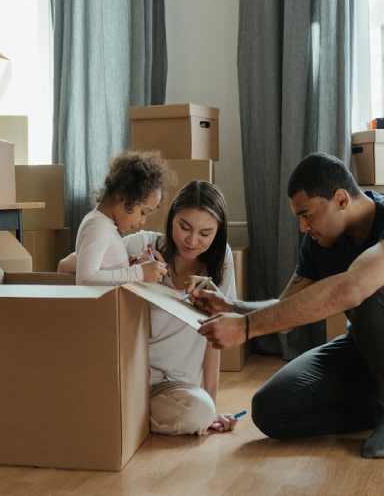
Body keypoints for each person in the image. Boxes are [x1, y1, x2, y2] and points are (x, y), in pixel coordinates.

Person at [195, 152, 384, 458]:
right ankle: (377, 408)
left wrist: (245, 329)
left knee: (366, 289)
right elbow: (289, 308)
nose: (302, 227)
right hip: (364, 349)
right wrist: (232, 307)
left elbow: (351, 288)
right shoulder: (318, 241)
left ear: (340, 199)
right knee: (270, 408)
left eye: (307, 215)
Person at [63, 178, 239, 435]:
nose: (191, 241)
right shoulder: (143, 244)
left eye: (205, 234)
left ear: (218, 232)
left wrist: (212, 404)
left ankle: (122, 416)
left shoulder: (222, 261)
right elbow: (66, 265)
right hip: (129, 377)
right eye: (184, 227)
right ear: (171, 220)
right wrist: (131, 269)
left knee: (199, 413)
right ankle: (123, 414)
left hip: (175, 388)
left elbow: (217, 336)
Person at [74, 150, 168, 286]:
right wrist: (138, 273)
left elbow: (105, 272)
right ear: (122, 196)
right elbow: (85, 279)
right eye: (143, 212)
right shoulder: (97, 227)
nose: (143, 222)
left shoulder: (105, 226)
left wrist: (128, 267)